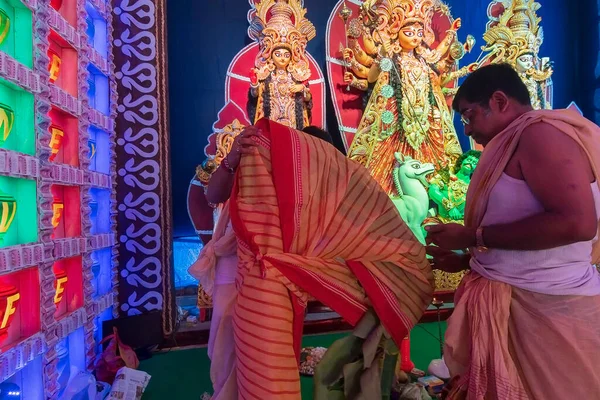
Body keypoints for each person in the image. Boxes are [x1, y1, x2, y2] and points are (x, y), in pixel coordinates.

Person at [205, 119, 433, 400]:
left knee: (268, 360)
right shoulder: (262, 165)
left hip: (275, 286)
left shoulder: (321, 196)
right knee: (229, 360)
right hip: (235, 275)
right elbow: (213, 195)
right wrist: (232, 159)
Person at [425, 63, 600, 399]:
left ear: (500, 101)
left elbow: (577, 223)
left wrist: (475, 238)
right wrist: (468, 260)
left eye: (469, 115)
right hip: (520, 300)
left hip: (548, 309)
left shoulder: (540, 134)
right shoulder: (511, 142)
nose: (467, 128)